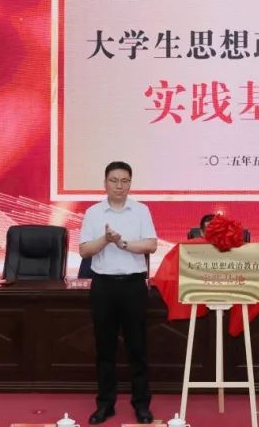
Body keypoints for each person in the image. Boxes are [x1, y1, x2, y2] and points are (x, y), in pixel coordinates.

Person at [78, 161, 157, 425]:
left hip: (133, 285)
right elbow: (84, 251)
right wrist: (106, 240)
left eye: (124, 181)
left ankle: (141, 405)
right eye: (114, 180)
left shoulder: (141, 210)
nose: (119, 186)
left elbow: (151, 245)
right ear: (105, 183)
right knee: (105, 349)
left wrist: (122, 243)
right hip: (103, 286)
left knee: (138, 348)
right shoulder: (93, 213)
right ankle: (105, 404)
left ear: (130, 184)